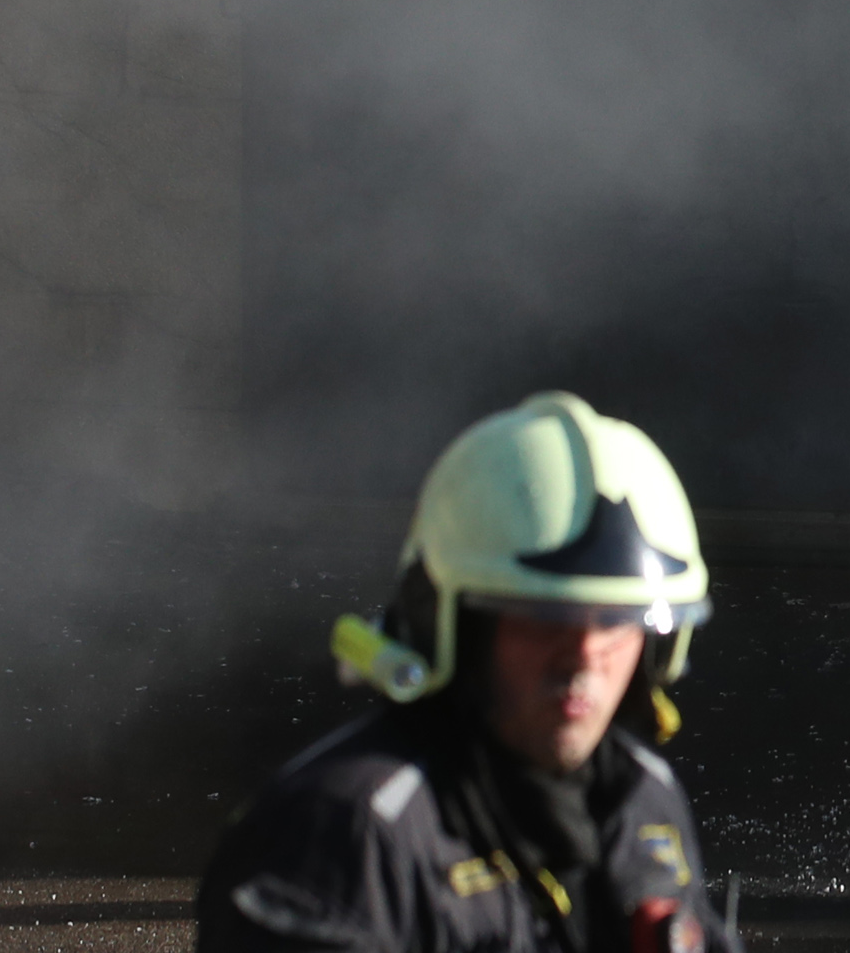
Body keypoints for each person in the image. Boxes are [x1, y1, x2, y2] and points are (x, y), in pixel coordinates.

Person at [201, 391, 734, 953]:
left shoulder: (644, 797)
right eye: (546, 617)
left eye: (616, 622)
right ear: (454, 626)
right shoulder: (342, 834)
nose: (584, 656)